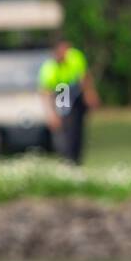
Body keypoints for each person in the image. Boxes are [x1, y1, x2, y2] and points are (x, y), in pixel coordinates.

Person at [39, 37, 101, 165]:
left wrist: (90, 94)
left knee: (78, 126)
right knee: (66, 125)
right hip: (63, 91)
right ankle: (67, 157)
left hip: (76, 90)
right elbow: (46, 92)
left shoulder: (75, 57)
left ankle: (77, 158)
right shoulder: (49, 68)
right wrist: (51, 114)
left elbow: (84, 76)